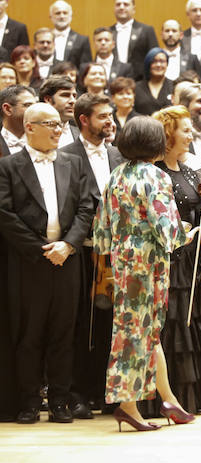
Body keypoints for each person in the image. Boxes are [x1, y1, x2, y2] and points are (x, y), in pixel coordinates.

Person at [93, 116, 193, 430]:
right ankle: (127, 406)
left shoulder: (116, 174)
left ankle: (168, 400)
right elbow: (167, 228)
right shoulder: (156, 176)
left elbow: (100, 229)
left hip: (122, 259)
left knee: (143, 332)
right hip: (148, 262)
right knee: (136, 334)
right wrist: (183, 234)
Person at [0, 103, 94, 424]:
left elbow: (85, 209)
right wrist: (42, 249)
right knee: (29, 334)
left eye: (59, 124)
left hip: (67, 260)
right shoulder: (8, 166)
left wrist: (68, 245)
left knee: (63, 333)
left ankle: (59, 401)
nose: (58, 130)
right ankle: (28, 402)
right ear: (29, 127)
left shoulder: (74, 162)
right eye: (50, 124)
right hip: (30, 263)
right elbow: (4, 214)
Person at [150, 106, 201, 415]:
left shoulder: (193, 171)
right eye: (184, 129)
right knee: (172, 323)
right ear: (168, 135)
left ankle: (197, 398)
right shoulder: (154, 172)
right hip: (170, 259)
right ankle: (170, 396)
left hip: (194, 258)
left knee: (195, 321)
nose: (190, 133)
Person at [61, 93, 123, 418]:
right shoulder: (66, 155)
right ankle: (78, 393)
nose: (110, 122)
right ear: (83, 120)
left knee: (108, 324)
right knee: (80, 325)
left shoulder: (116, 154)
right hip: (82, 253)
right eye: (103, 117)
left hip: (113, 255)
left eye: (111, 115)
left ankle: (105, 391)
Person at [111, 0, 159, 79]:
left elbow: (155, 57)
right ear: (114, 8)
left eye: (126, 4)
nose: (121, 7)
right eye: (118, 4)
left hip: (140, 82)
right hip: (113, 82)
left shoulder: (147, 30)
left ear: (133, 8)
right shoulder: (108, 32)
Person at [134, 48, 175, 115]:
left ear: (167, 64)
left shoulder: (174, 86)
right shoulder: (136, 88)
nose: (158, 65)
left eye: (162, 61)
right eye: (154, 61)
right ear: (148, 64)